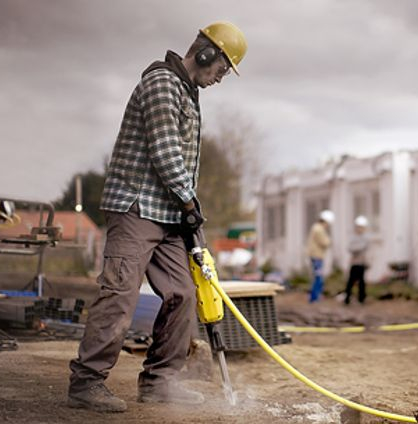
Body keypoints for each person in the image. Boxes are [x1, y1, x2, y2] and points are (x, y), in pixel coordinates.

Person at [67, 22, 247, 412]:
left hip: (166, 214)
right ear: (205, 54)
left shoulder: (188, 93)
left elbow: (177, 162)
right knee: (120, 292)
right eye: (222, 68)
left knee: (183, 293)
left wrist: (185, 210)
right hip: (135, 208)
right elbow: (166, 153)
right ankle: (86, 382)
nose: (221, 77)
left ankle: (159, 382)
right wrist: (190, 202)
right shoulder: (163, 84)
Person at [306, 210, 334, 303]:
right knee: (318, 277)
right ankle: (315, 298)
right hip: (317, 256)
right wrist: (329, 240)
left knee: (317, 277)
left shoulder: (315, 227)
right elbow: (325, 242)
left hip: (315, 256)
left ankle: (315, 297)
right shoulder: (319, 229)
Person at [344, 215, 369, 305]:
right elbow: (350, 248)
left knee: (362, 281)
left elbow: (365, 249)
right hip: (354, 262)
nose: (360, 229)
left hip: (361, 262)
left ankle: (361, 298)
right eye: (359, 227)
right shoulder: (353, 237)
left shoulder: (365, 237)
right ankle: (347, 298)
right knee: (351, 281)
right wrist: (359, 247)